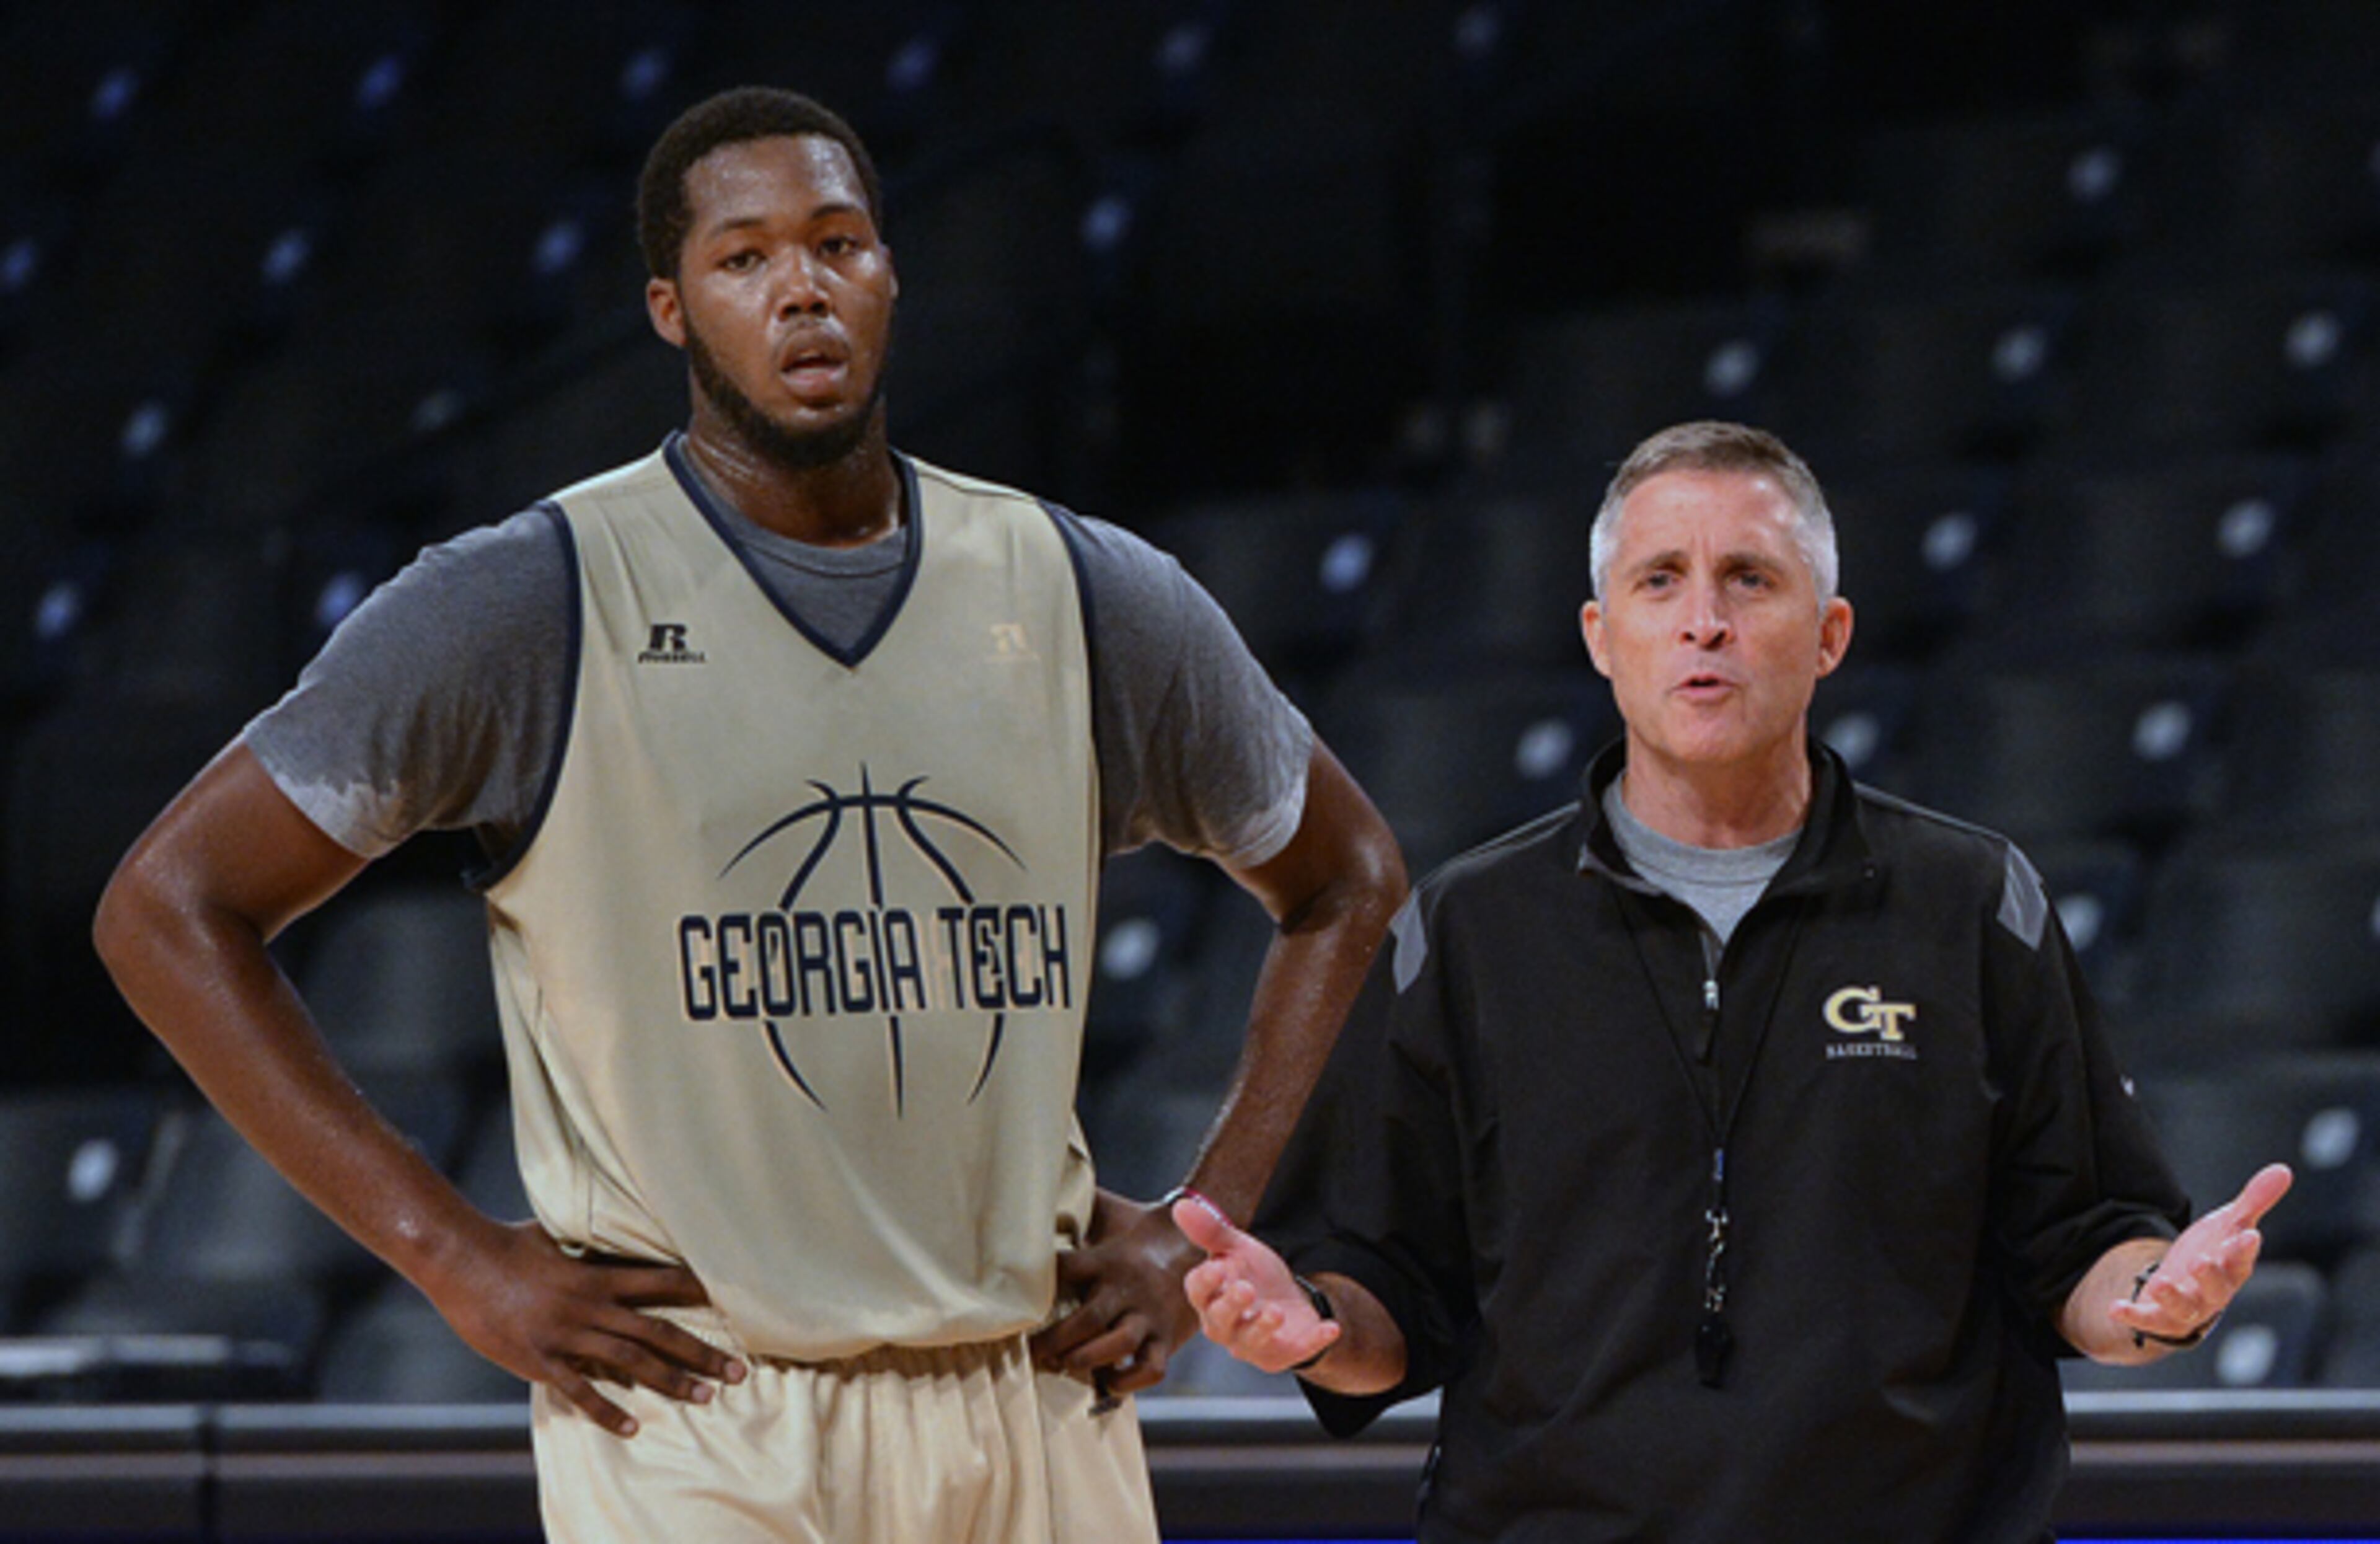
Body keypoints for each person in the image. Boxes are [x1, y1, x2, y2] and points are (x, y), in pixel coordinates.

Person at [92, 86, 1405, 1543]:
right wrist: (452, 1256)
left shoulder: (1084, 589)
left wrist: (1195, 1225)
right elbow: (166, 905)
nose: (802, 288)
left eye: (839, 243)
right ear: (670, 308)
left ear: (891, 275)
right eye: (745, 258)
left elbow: (1351, 878)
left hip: (1026, 1390)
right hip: (706, 1412)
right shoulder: (524, 600)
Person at [1174, 419, 2293, 1543]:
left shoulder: (1971, 901)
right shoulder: (1469, 928)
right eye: (1661, 582)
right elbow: (1388, 1295)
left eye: (1749, 579)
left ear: (1830, 634)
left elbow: (2085, 1243)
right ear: (1602, 636)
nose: (1704, 620)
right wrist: (1309, 1325)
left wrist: (2152, 1301)